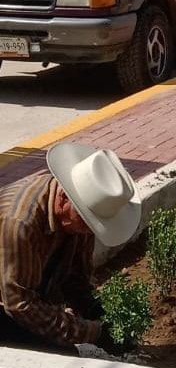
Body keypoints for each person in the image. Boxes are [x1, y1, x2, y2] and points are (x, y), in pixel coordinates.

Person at [0, 144, 141, 352]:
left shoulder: (76, 222)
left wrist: (96, 312)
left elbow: (76, 280)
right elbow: (20, 303)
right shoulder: (20, 223)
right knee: (61, 354)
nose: (88, 230)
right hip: (8, 301)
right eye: (86, 221)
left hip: (20, 292)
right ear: (64, 198)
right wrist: (92, 333)